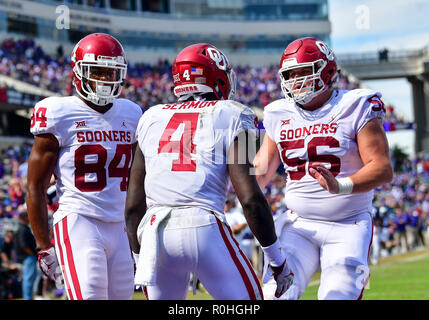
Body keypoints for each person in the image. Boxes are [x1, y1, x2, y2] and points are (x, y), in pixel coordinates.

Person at [125, 43, 294, 300]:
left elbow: (133, 203)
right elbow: (249, 199)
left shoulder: (150, 117)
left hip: (154, 233)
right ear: (216, 78)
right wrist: (276, 259)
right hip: (203, 225)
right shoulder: (236, 114)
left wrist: (139, 256)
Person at [253, 37, 393, 300]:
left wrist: (341, 185)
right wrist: (223, 179)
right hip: (298, 224)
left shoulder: (356, 104)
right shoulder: (277, 112)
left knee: (337, 296)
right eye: (290, 74)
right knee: (275, 296)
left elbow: (382, 168)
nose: (296, 80)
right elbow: (260, 170)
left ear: (327, 70)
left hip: (348, 224)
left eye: (304, 71)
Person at [26, 33, 142, 300]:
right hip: (80, 220)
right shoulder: (58, 112)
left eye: (111, 73)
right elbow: (36, 186)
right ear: (79, 72)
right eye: (97, 72)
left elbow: (139, 181)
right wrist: (44, 246)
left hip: (121, 226)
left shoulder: (132, 113)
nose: (104, 80)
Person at [15, 212, 38, 300]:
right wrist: (32, 254)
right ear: (24, 218)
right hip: (28, 257)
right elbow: (23, 245)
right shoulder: (22, 229)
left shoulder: (25, 228)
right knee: (28, 279)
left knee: (30, 279)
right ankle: (27, 298)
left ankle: (29, 297)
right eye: (28, 217)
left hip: (28, 257)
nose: (30, 218)